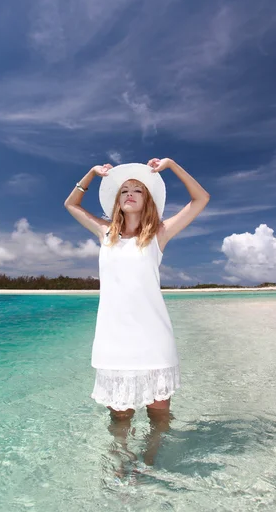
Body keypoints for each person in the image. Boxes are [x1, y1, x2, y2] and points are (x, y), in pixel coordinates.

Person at [64, 157, 210, 470]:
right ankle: (121, 459)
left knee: (159, 412)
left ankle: (151, 459)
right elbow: (72, 204)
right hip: (113, 338)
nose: (130, 193)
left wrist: (172, 166)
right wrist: (90, 173)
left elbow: (201, 199)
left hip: (153, 338)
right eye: (124, 190)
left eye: (138, 190)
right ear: (116, 201)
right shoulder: (105, 233)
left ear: (148, 200)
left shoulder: (159, 233)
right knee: (119, 415)